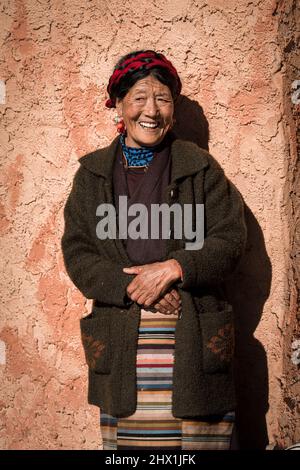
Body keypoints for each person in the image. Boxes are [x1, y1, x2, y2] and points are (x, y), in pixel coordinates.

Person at [61, 49, 247, 450]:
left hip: (192, 339)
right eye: (139, 97)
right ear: (119, 105)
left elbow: (230, 240)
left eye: (162, 98)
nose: (152, 110)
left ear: (174, 111)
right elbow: (78, 251)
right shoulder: (92, 175)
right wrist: (134, 286)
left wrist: (174, 269)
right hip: (123, 343)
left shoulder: (201, 169)